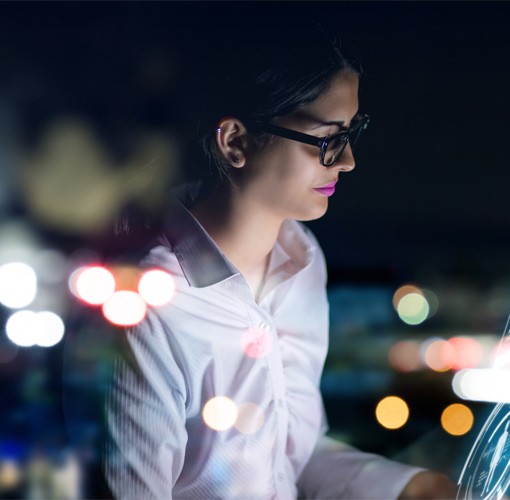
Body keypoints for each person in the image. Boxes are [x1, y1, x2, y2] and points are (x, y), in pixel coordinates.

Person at [64, 23, 456, 499]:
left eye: (352, 133)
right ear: (235, 141)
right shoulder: (151, 305)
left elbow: (287, 452)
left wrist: (409, 487)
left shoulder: (303, 260)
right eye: (328, 139)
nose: (348, 159)